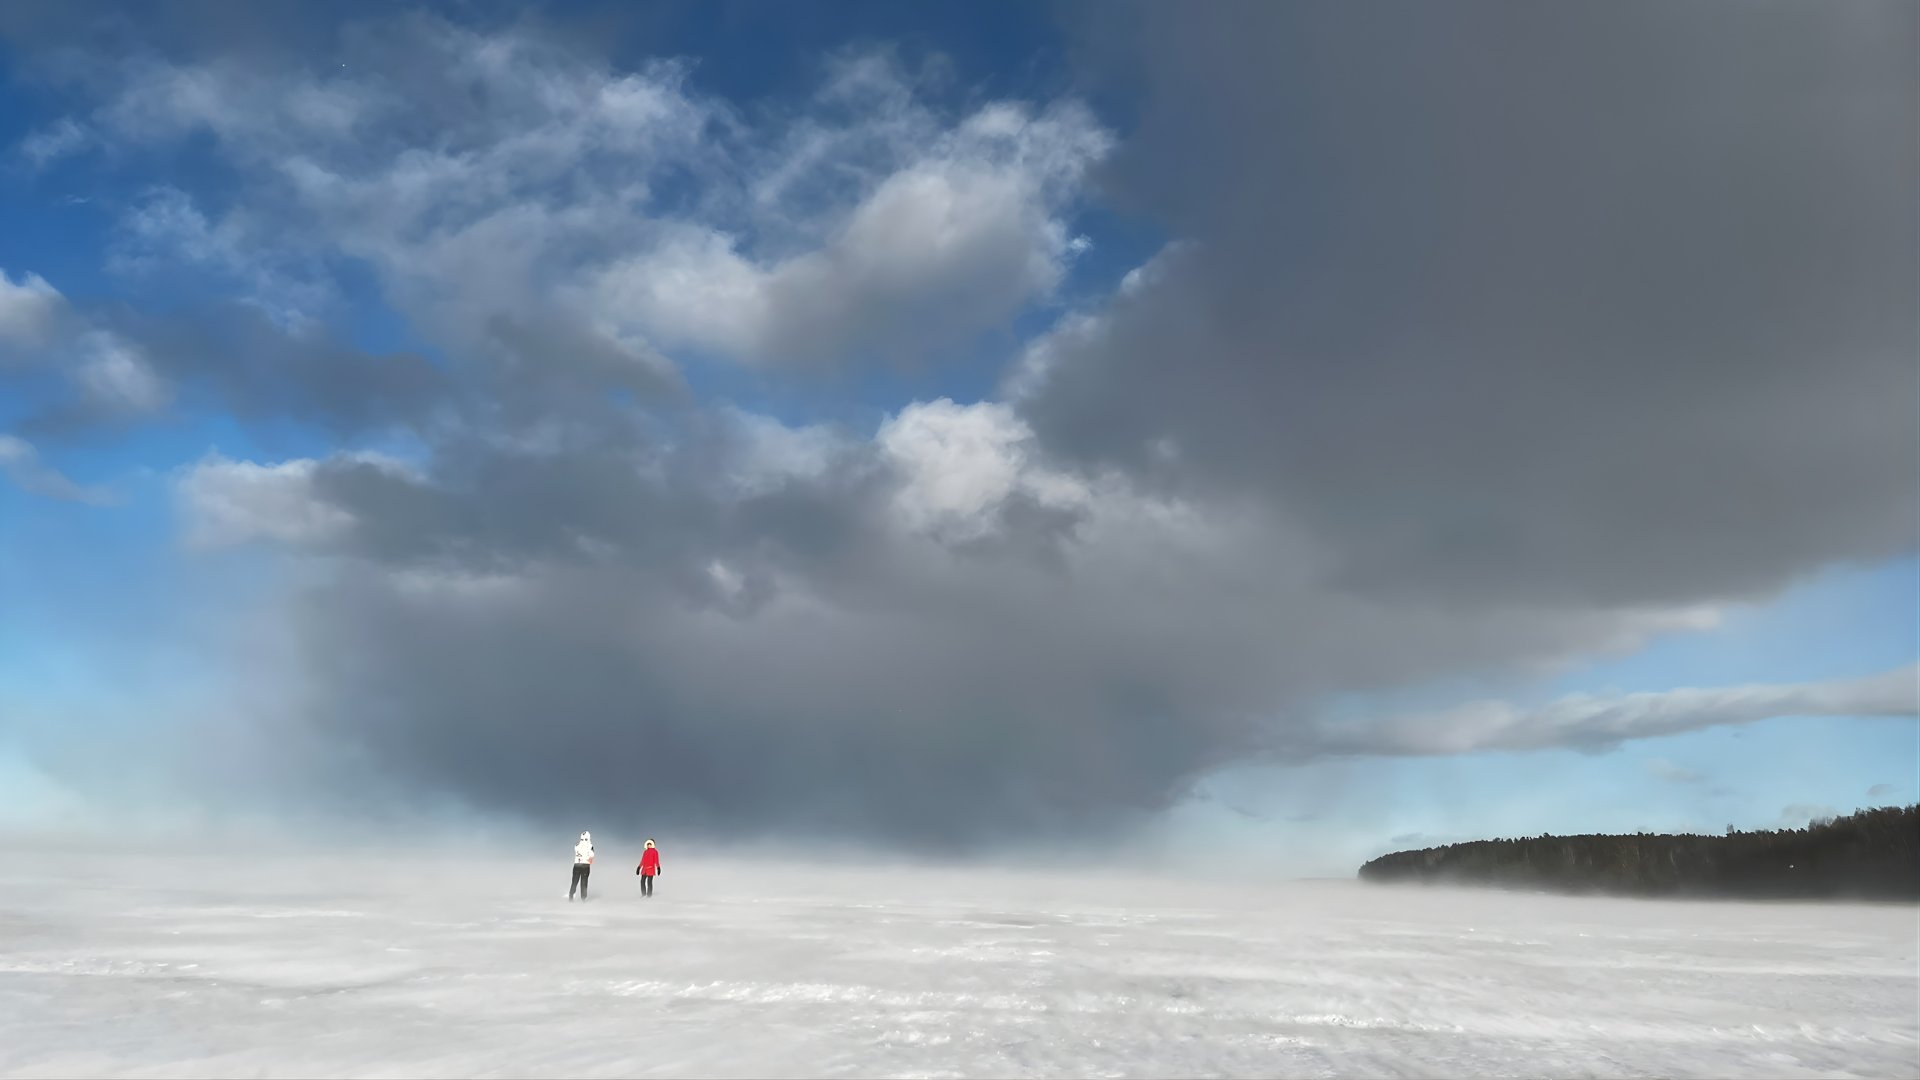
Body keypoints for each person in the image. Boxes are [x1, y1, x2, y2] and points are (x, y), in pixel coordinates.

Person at [570, 831, 594, 901]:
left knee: (574, 882)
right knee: (584, 882)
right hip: (585, 865)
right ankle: (583, 899)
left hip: (577, 865)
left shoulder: (576, 845)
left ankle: (571, 897)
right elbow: (591, 857)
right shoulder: (590, 846)